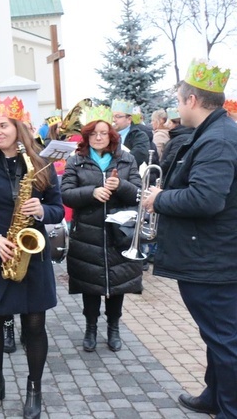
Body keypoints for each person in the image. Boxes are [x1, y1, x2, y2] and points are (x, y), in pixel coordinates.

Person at [142, 59, 237, 417]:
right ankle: (215, 395)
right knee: (216, 336)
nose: (177, 106)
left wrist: (158, 199)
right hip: (209, 256)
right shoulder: (214, 133)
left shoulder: (219, 138)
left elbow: (206, 199)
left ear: (193, 100)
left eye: (179, 100)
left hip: (213, 260)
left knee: (225, 342)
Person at [0, 95, 64, 418]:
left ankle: (34, 387)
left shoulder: (42, 165)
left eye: (3, 125)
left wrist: (43, 209)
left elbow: (58, 208)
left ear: (18, 128)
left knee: (35, 324)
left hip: (33, 256)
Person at [60, 105, 143, 353]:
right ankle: (90, 327)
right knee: (90, 286)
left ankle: (114, 327)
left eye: (103, 133)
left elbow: (138, 194)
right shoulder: (77, 161)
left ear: (112, 135)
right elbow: (66, 195)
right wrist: (92, 192)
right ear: (86, 136)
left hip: (119, 234)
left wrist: (121, 186)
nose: (98, 137)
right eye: (94, 133)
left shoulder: (127, 159)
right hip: (87, 234)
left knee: (117, 285)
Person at [111, 99, 150, 167]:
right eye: (112, 116)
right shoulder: (107, 135)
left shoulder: (139, 136)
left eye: (117, 116)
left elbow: (137, 156)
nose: (113, 120)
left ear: (129, 119)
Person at [159, 107, 193, 176]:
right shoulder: (177, 136)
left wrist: (158, 169)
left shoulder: (181, 138)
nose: (167, 124)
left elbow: (171, 160)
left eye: (169, 122)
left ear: (175, 123)